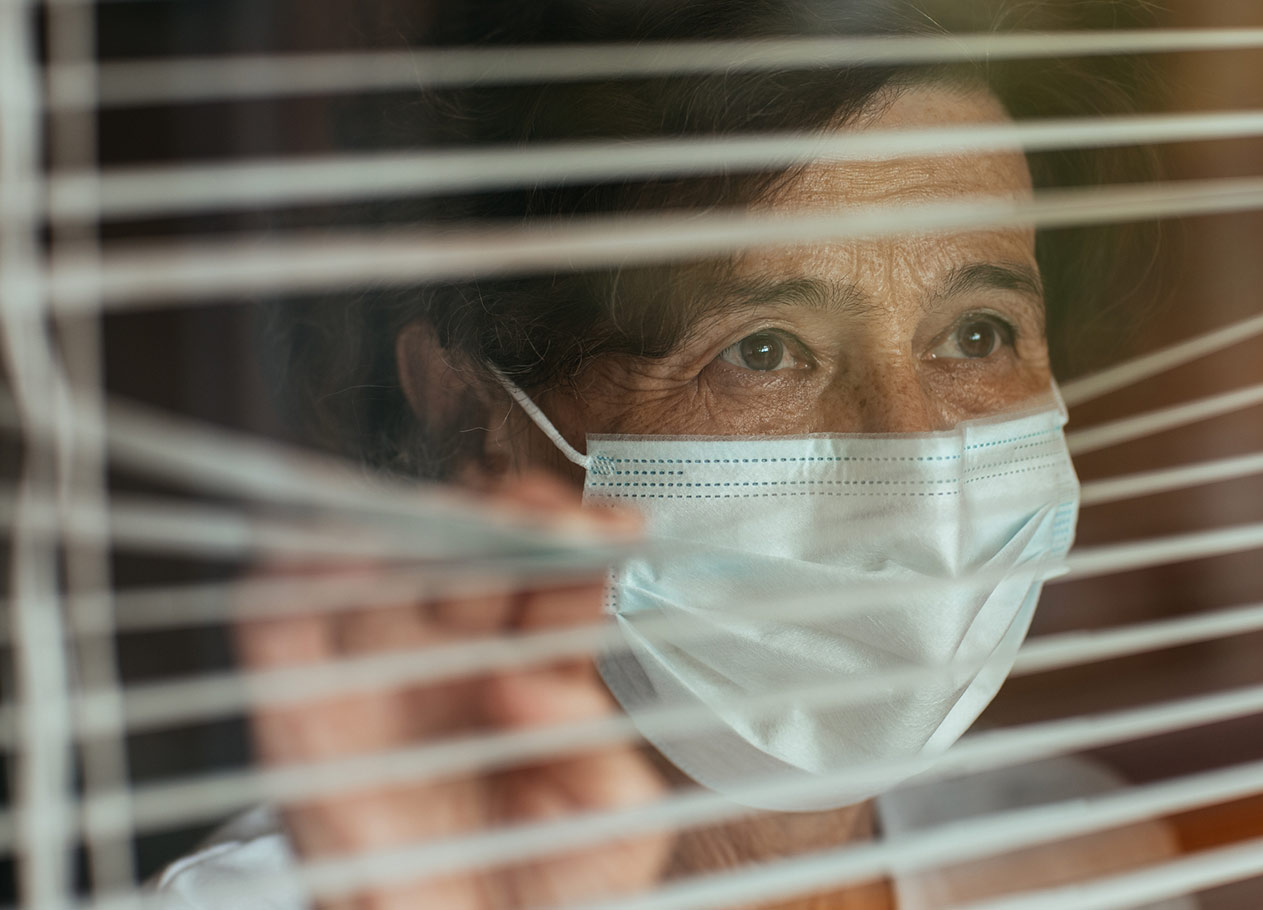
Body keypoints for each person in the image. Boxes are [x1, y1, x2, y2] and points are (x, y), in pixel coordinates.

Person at [154, 1, 1185, 908]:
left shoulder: (1077, 861)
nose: (919, 453)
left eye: (978, 333)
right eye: (765, 352)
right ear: (475, 416)